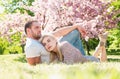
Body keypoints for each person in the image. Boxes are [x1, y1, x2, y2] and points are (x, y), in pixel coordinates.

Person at [40, 32, 108, 64]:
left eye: (48, 41)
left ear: (55, 40)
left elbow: (69, 64)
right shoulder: (53, 55)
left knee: (104, 64)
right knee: (88, 58)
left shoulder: (64, 45)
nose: (47, 44)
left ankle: (102, 45)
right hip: (84, 60)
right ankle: (101, 43)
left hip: (91, 61)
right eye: (44, 44)